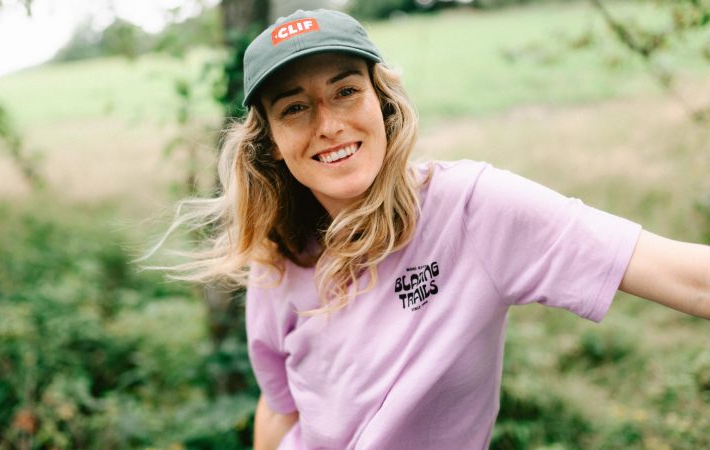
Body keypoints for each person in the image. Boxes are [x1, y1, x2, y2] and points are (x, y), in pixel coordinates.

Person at [158, 8, 710, 450]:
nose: (328, 124)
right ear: (272, 144)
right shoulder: (276, 259)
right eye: (295, 107)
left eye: (346, 90)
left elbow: (687, 276)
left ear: (384, 102)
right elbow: (281, 407)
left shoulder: (473, 209)